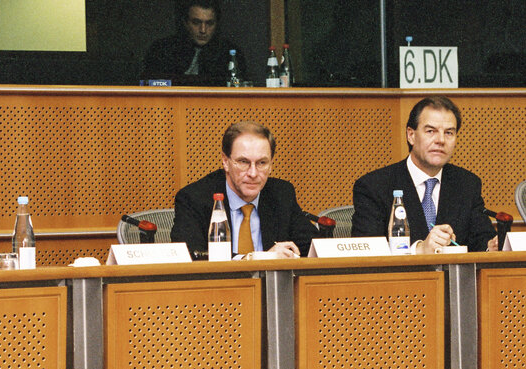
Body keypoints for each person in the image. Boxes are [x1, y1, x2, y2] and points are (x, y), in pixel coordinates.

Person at [352, 96, 497, 253]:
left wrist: (491, 246)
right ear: (411, 135)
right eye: (430, 131)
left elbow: (481, 240)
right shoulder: (374, 186)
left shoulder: (467, 184)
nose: (441, 140)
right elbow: (367, 252)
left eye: (449, 133)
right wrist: (419, 250)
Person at [171, 121, 318, 258]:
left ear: (271, 164)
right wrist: (261, 258)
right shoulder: (194, 198)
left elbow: (313, 247)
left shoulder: (281, 194)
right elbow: (193, 256)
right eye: (243, 162)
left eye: (262, 163)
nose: (253, 173)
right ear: (225, 161)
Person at [141, 0, 246, 86]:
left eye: (209, 23)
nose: (203, 30)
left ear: (217, 24)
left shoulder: (230, 53)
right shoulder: (162, 49)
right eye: (196, 22)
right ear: (185, 23)